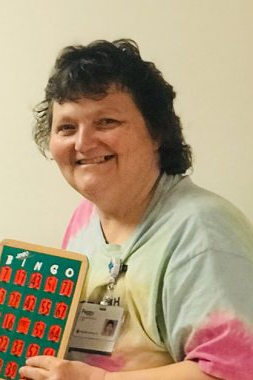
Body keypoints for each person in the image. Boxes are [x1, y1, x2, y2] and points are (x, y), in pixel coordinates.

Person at [21, 39, 253, 380]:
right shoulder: (85, 220)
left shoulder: (203, 229)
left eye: (106, 122)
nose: (83, 143)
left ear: (156, 131)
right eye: (67, 127)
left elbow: (233, 370)